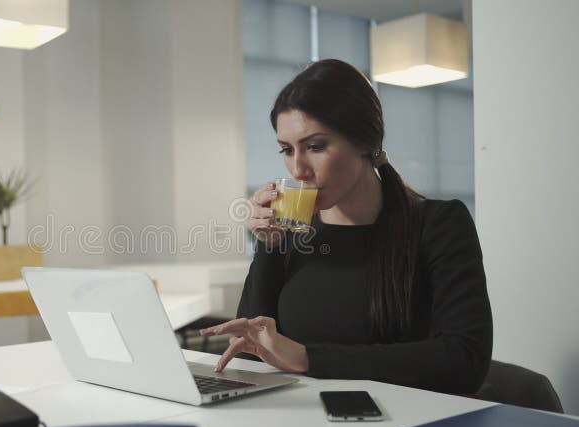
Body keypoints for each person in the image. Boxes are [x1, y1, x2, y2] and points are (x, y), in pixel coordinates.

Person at [201, 59, 492, 395]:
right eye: (286, 150)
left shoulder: (440, 225)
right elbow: (252, 350)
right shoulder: (293, 232)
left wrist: (309, 358)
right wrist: (269, 244)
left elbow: (464, 361)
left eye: (315, 146)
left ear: (365, 141)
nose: (298, 169)